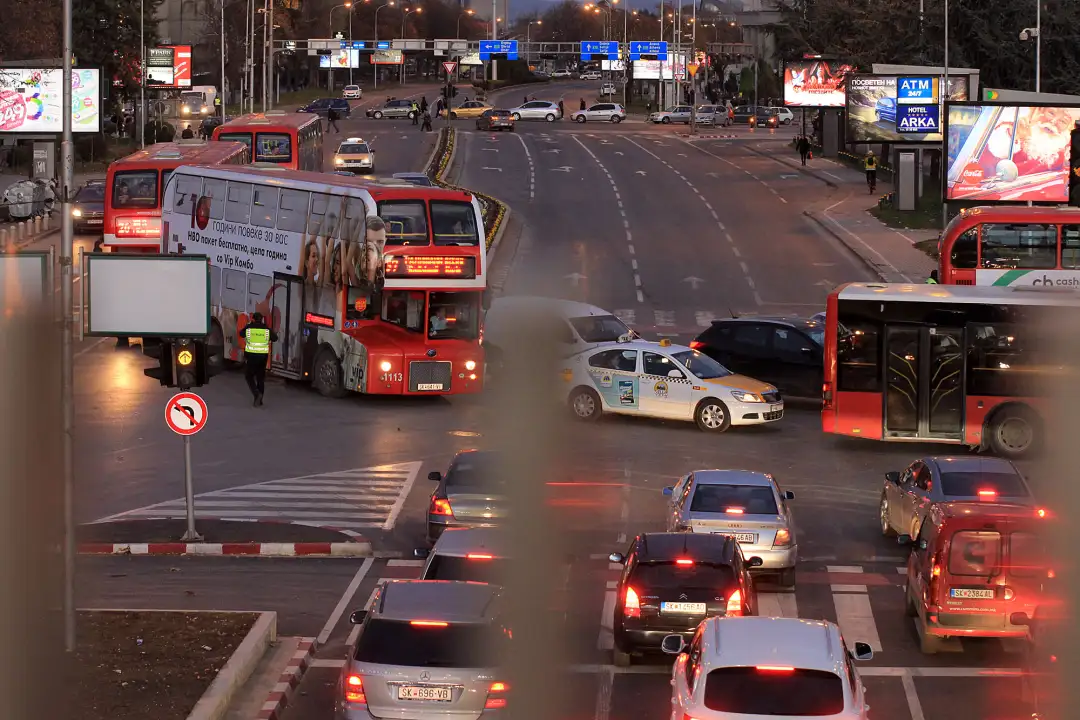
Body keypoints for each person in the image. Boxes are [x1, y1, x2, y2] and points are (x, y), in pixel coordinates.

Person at [242, 312, 278, 407]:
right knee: (260, 378)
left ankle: (256, 393)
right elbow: (275, 338)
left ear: (253, 319)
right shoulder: (266, 329)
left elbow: (241, 334)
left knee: (249, 376)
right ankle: (259, 400)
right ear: (261, 319)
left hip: (251, 356)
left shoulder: (249, 328)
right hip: (263, 357)